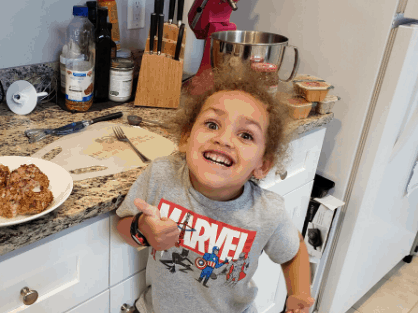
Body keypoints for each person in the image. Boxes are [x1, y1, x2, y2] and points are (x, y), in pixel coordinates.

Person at [114, 59, 314, 313]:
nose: (223, 139)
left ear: (262, 164)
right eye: (212, 124)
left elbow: (294, 252)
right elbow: (122, 226)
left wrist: (299, 293)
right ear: (186, 137)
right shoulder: (162, 175)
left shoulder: (267, 212)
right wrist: (141, 228)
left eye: (245, 135)